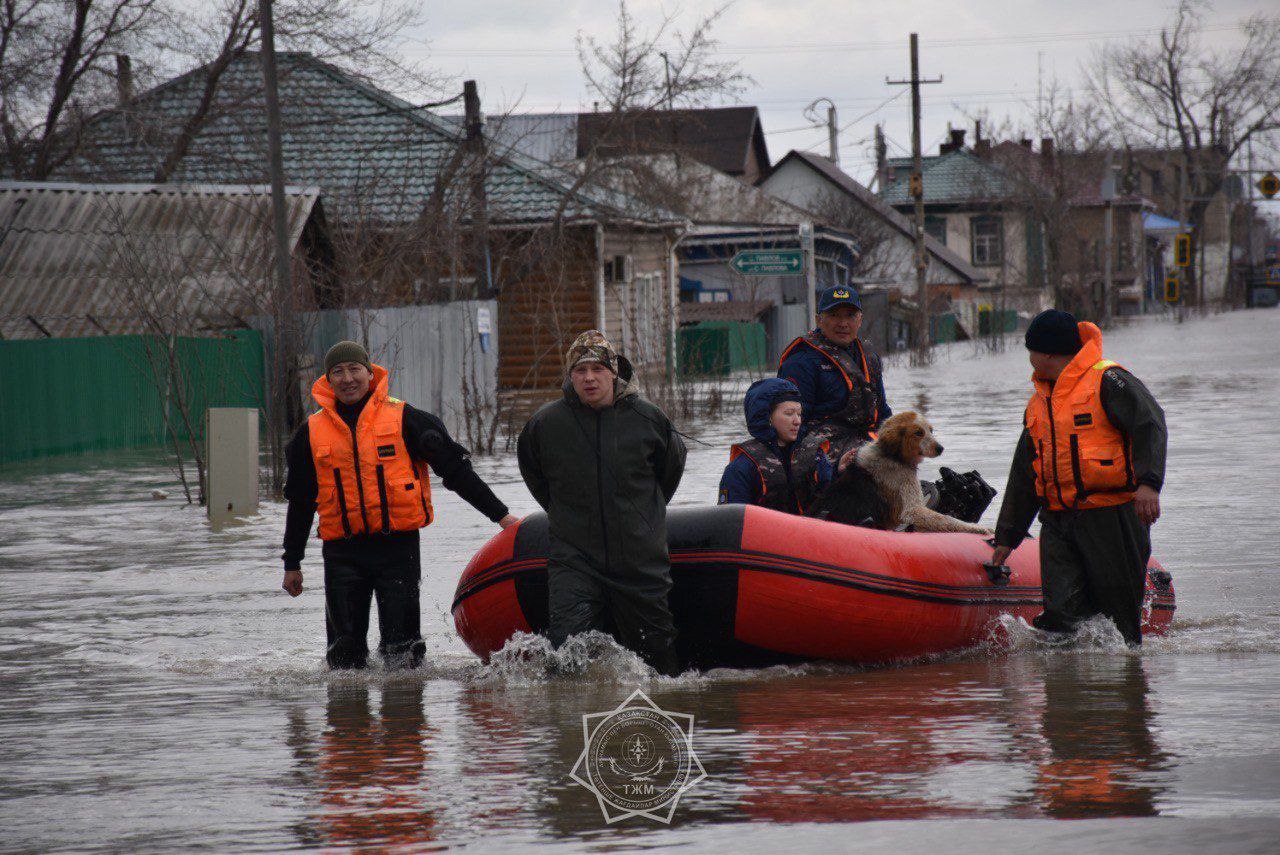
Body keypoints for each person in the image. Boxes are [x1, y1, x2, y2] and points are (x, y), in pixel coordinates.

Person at [280, 340, 518, 669]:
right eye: (338, 372)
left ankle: (405, 703)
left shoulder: (406, 419)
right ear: (328, 379)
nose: (347, 379)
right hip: (341, 554)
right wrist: (292, 562)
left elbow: (456, 472)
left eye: (354, 369)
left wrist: (502, 516)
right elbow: (301, 503)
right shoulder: (311, 432)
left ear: (369, 373)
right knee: (343, 661)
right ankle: (348, 704)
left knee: (403, 655)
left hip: (397, 550)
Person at [990, 310, 1167, 646]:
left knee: (1119, 622)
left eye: (1030, 350)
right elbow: (1025, 471)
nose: (1029, 359)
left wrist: (1149, 484)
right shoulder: (1039, 402)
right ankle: (1066, 679)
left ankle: (1127, 677)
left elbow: (1151, 424)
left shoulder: (1109, 380)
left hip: (1111, 515)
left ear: (1047, 353)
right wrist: (1007, 536)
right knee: (1060, 618)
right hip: (1058, 520)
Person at [516, 330, 687, 676]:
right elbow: (535, 475)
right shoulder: (546, 423)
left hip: (639, 560)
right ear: (570, 376)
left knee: (658, 664)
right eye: (580, 371)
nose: (589, 378)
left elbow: (669, 471)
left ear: (614, 372)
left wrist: (643, 516)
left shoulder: (649, 418)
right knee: (567, 658)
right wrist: (566, 512)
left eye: (598, 369)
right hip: (575, 559)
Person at [778, 285, 891, 473]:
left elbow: (883, 412)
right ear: (819, 320)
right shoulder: (800, 362)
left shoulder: (870, 357)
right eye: (834, 315)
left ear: (860, 320)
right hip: (822, 451)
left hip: (865, 443)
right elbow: (792, 427)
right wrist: (824, 470)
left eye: (850, 315)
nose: (843, 323)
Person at [718, 377, 829, 513]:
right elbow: (731, 518)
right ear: (768, 416)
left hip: (813, 525)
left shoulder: (816, 455)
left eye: (799, 414)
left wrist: (840, 472)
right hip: (765, 526)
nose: (797, 421)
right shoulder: (741, 467)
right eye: (789, 414)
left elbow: (829, 497)